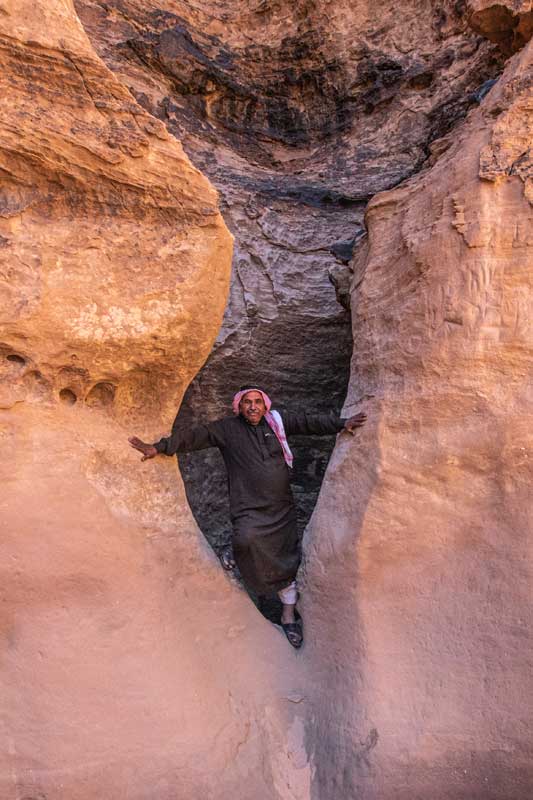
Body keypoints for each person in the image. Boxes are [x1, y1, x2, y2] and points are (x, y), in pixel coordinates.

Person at [128, 386, 366, 648]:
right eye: (247, 403)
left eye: (257, 402)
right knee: (246, 539)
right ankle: (238, 558)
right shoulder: (227, 430)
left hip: (281, 507)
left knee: (287, 560)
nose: (253, 407)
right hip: (248, 506)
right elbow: (194, 437)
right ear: (238, 407)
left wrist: (342, 423)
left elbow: (309, 422)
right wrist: (159, 447)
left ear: (265, 405)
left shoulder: (277, 422)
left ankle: (288, 618)